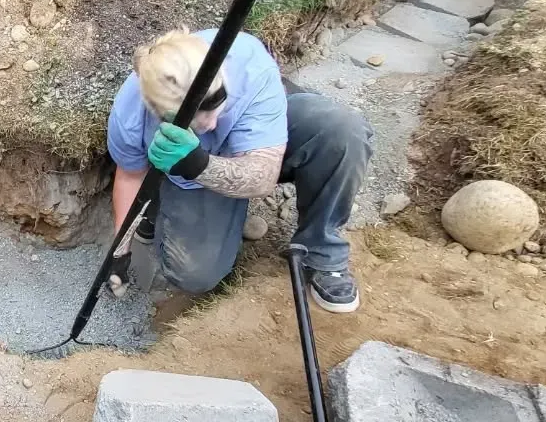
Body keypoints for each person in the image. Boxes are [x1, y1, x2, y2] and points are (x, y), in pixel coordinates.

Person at [105, 28, 372, 312]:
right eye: (196, 119)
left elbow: (263, 177)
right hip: (189, 176)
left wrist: (200, 164)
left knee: (340, 133)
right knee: (195, 275)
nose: (209, 124)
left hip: (255, 139)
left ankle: (322, 252)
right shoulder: (131, 112)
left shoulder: (246, 62)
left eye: (215, 106)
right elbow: (131, 176)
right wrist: (120, 248)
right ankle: (165, 212)